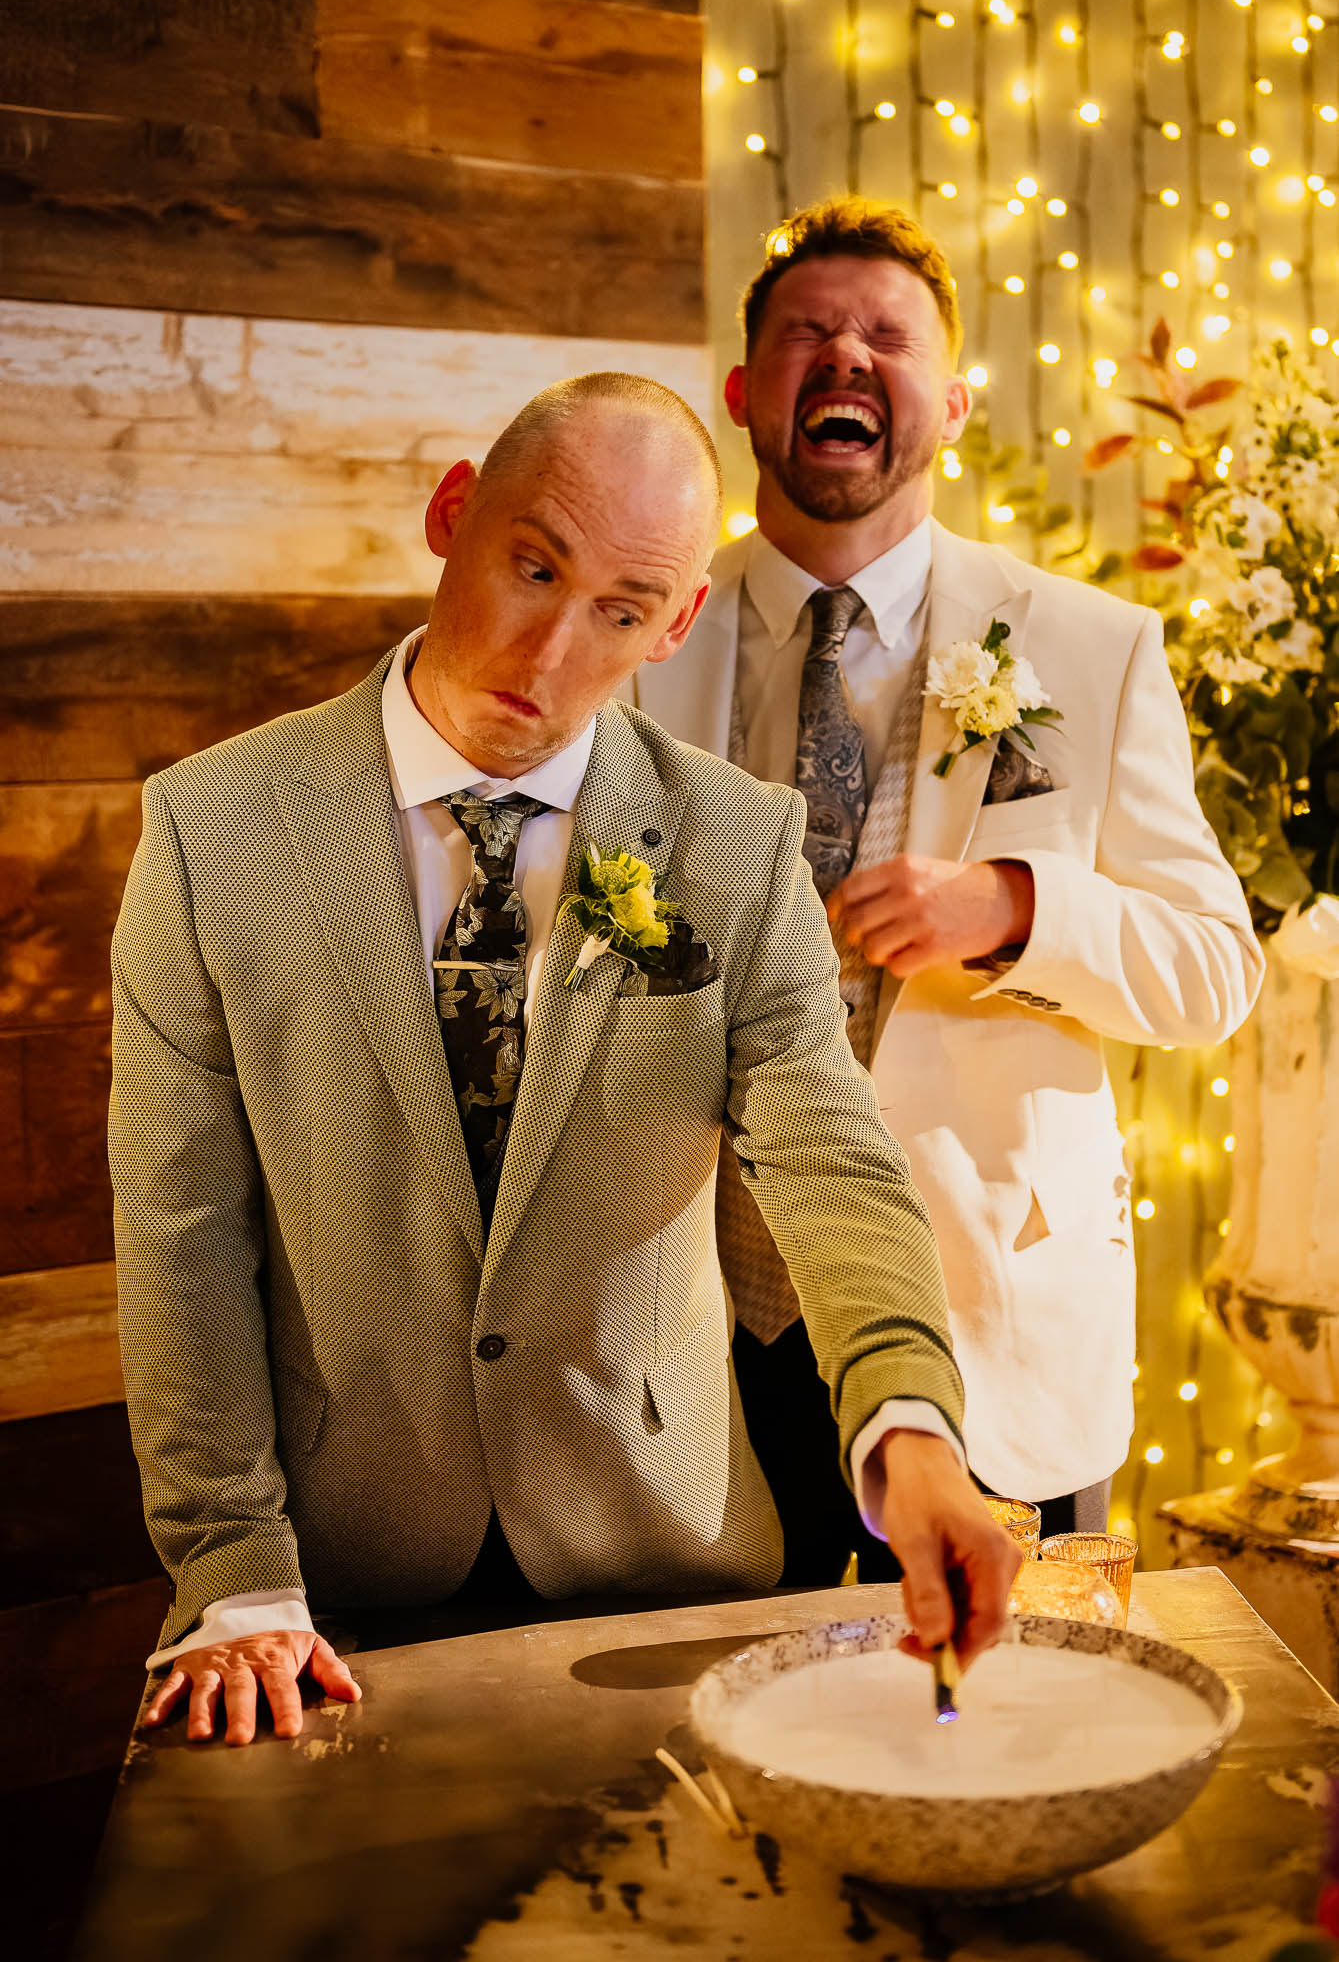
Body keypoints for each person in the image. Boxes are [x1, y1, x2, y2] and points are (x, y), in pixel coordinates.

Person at [110, 371, 1020, 1748]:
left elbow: (831, 1156)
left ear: (680, 621)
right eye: (533, 566)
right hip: (334, 1588)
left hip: (662, 1569)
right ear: (453, 514)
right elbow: (182, 1229)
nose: (545, 658)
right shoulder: (208, 831)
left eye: (621, 609)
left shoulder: (737, 840)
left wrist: (914, 1433)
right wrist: (233, 1570)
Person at [626, 200, 1264, 1583]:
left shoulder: (1091, 649)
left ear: (953, 403)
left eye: (887, 338)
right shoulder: (637, 632)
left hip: (989, 1309)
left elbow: (1217, 967)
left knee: (997, 1738)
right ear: (742, 394)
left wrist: (1020, 911)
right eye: (809, 333)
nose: (846, 357)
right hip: (684, 1323)